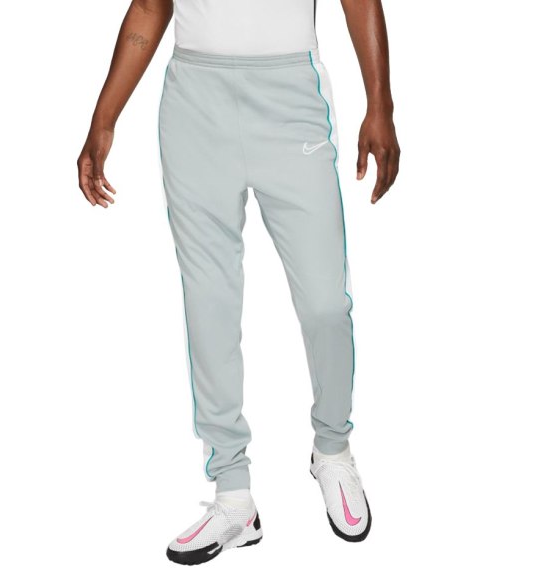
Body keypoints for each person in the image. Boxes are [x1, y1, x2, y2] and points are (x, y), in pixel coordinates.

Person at [77, 0, 400, 563]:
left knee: (326, 303)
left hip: (290, 97)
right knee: (210, 303)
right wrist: (103, 118)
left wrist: (381, 104)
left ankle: (332, 449)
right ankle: (233, 492)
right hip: (194, 104)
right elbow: (150, 7)